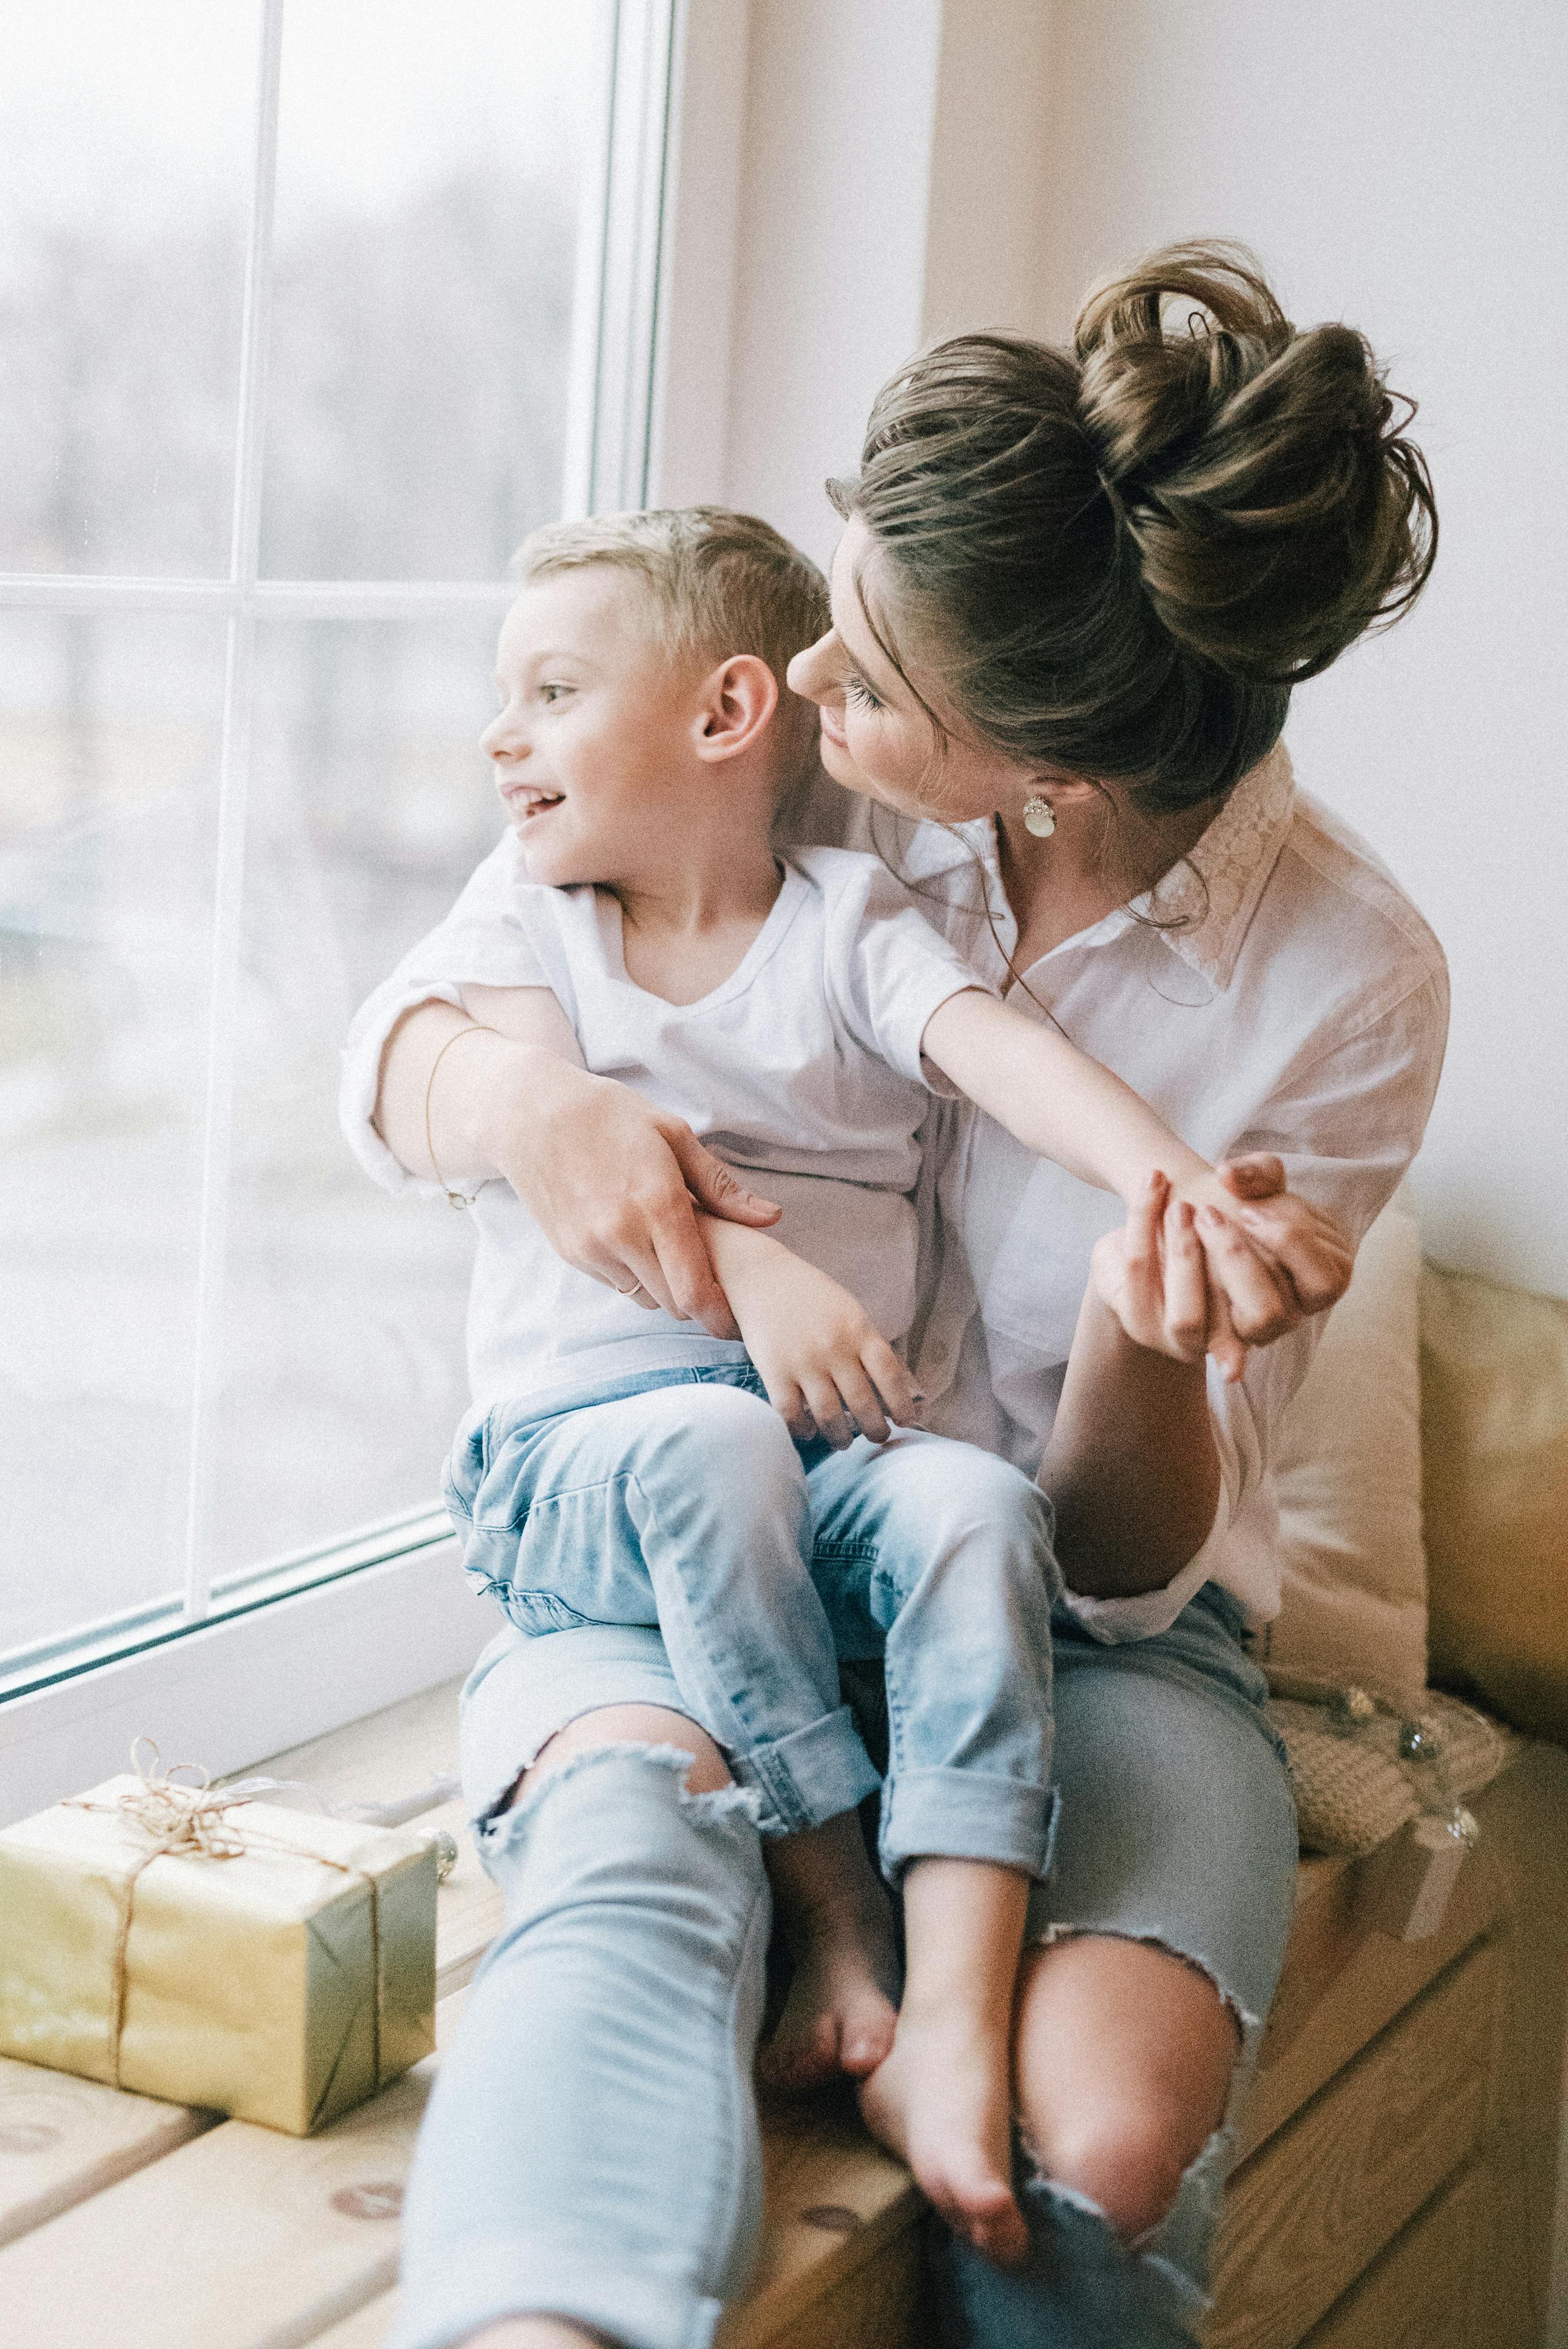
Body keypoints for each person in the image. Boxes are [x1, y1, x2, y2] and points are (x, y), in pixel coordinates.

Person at [348, 243, 1443, 2348]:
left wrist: (1149, 1324)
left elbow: (1126, 1559)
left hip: (1088, 1632)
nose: (812, 688)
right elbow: (399, 1041)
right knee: (624, 1894)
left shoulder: (1345, 981)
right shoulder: (793, 764)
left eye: (862, 676)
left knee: (1095, 2162)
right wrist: (532, 1110)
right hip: (694, 1542)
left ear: (1037, 759)